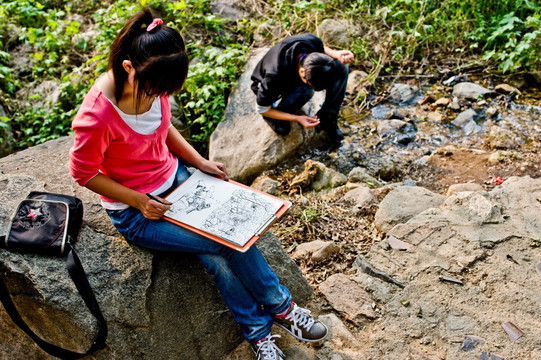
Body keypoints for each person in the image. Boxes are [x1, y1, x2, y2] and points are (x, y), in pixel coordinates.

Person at [69, 8, 327, 360]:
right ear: (128, 68)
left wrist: (198, 161)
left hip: (177, 182)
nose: (158, 98)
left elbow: (164, 128)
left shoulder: (153, 81)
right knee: (224, 242)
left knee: (219, 249)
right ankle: (280, 309)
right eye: (155, 90)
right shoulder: (98, 115)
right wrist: (138, 200)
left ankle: (259, 331)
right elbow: (83, 173)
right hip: (137, 211)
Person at [250, 33, 354, 144]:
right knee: (306, 91)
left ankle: (328, 116)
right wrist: (297, 118)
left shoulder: (311, 41)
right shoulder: (274, 76)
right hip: (277, 83)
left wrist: (335, 54)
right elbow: (262, 109)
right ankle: (278, 114)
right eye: (310, 83)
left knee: (341, 66)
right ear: (302, 71)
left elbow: (321, 47)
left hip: (293, 70)